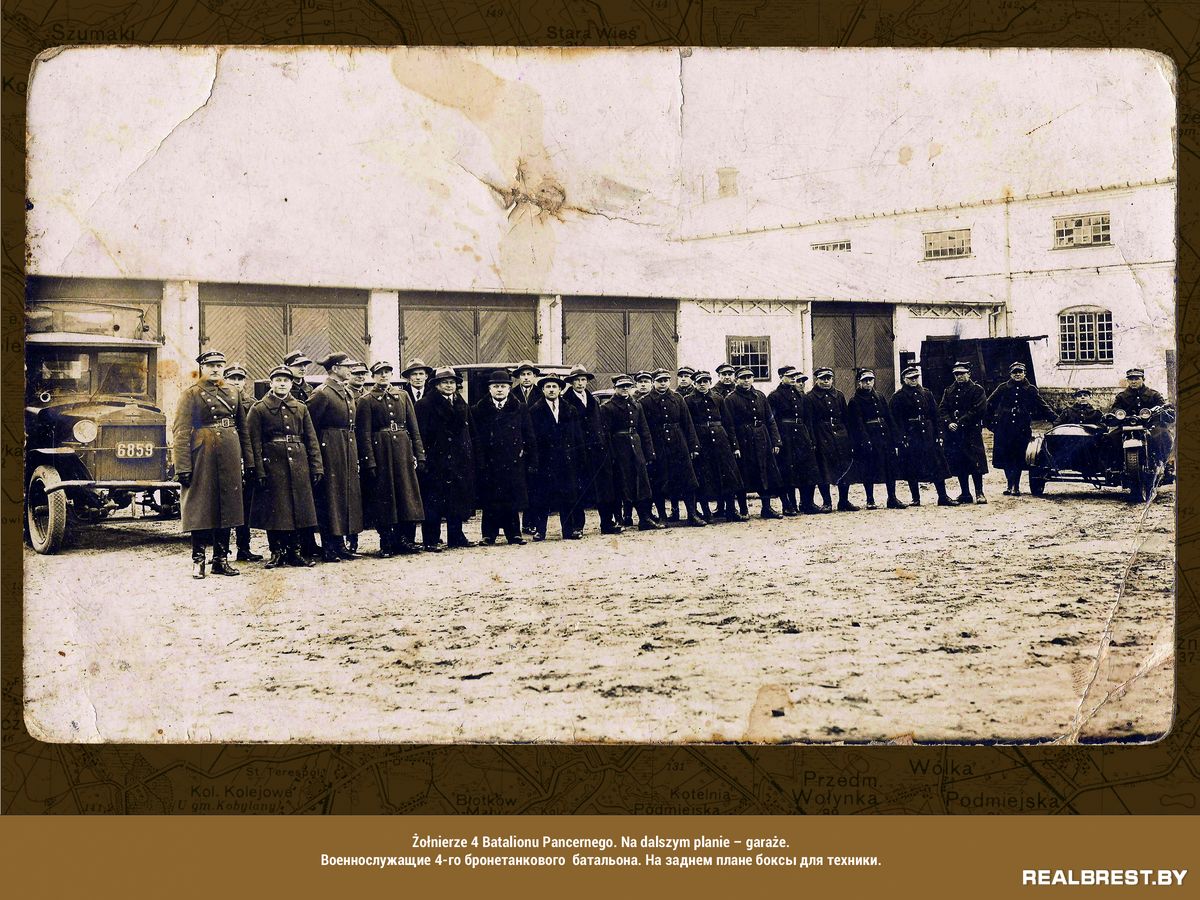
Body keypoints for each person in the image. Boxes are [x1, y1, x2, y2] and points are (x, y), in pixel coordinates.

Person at [171, 350, 253, 578]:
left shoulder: (233, 392)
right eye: (211, 365)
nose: (216, 369)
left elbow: (243, 430)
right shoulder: (191, 394)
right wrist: (183, 467)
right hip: (203, 455)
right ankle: (198, 560)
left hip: (229, 453)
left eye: (219, 365)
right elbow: (181, 432)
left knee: (228, 506)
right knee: (200, 506)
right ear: (202, 368)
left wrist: (249, 461)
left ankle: (220, 560)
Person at [246, 366, 323, 568]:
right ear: (271, 383)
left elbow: (311, 439)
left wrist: (316, 466)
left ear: (291, 384)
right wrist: (258, 469)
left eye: (286, 380)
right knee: (276, 510)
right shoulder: (259, 409)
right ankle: (277, 552)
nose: (282, 384)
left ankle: (295, 552)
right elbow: (253, 442)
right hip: (273, 465)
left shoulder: (301, 408)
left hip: (299, 464)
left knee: (298, 507)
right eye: (278, 380)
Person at [356, 361, 426, 557]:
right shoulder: (366, 400)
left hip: (403, 451)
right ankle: (386, 541)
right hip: (381, 452)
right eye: (379, 373)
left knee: (406, 495)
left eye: (387, 372)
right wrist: (369, 460)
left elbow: (414, 429)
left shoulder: (402, 396)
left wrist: (419, 454)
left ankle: (405, 539)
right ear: (373, 376)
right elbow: (364, 434)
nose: (384, 375)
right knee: (384, 496)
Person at [305, 352, 363, 561]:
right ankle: (329, 546)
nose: (350, 370)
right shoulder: (322, 393)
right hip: (329, 449)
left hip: (346, 446)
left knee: (344, 496)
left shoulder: (346, 391)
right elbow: (310, 427)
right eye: (347, 366)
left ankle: (340, 545)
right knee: (330, 496)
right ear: (335, 369)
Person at [471, 368, 537, 545]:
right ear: (489, 389)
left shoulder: (520, 408)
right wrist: (479, 461)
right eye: (495, 386)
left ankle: (514, 534)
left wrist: (530, 458)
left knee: (511, 499)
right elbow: (475, 438)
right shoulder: (478, 410)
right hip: (489, 462)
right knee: (490, 499)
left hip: (513, 461)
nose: (499, 389)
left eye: (503, 386)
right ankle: (488, 535)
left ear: (509, 388)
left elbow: (529, 436)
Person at [415, 367, 477, 550]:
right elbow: (420, 434)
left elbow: (471, 431)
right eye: (444, 382)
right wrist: (423, 457)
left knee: (457, 499)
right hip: (436, 460)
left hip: (458, 459)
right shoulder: (425, 404)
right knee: (433, 502)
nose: (449, 386)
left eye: (452, 382)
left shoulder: (461, 403)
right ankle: (431, 540)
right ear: (436, 385)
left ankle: (456, 536)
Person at [640, 369, 705, 526]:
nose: (663, 383)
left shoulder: (677, 398)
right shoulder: (645, 401)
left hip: (679, 443)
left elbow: (687, 423)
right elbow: (644, 428)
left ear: (670, 381)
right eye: (659, 381)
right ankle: (662, 516)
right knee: (659, 481)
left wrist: (693, 446)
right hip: (658, 443)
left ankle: (692, 514)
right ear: (653, 382)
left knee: (688, 480)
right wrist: (649, 451)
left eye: (666, 380)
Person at [600, 374, 663, 531]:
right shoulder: (607, 407)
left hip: (636, 448)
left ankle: (644, 518)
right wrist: (611, 455)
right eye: (621, 386)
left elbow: (644, 429)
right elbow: (605, 434)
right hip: (619, 450)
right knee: (620, 485)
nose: (625, 389)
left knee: (641, 484)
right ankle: (619, 519)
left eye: (627, 386)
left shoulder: (636, 405)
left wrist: (649, 452)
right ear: (615, 388)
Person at [562, 365, 619, 534]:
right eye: (577, 380)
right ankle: (577, 526)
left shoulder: (592, 400)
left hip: (597, 451)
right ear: (571, 382)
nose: (580, 383)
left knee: (604, 487)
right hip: (578, 451)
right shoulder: (566, 401)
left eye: (583, 380)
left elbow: (600, 424)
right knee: (578, 489)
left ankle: (606, 523)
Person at [526, 374, 584, 540]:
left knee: (568, 495)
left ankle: (568, 530)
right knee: (542, 496)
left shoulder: (570, 409)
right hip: (545, 461)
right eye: (548, 387)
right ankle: (540, 531)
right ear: (543, 390)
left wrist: (579, 458)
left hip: (566, 461)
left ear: (560, 390)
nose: (551, 390)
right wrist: (534, 461)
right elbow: (531, 438)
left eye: (554, 387)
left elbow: (577, 437)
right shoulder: (535, 410)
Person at [890, 365, 958, 507]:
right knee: (912, 467)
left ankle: (943, 497)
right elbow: (895, 421)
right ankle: (916, 498)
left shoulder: (927, 393)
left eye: (916, 377)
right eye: (910, 378)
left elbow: (936, 415)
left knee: (937, 465)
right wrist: (901, 438)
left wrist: (939, 434)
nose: (914, 380)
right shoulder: (898, 397)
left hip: (929, 434)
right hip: (911, 436)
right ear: (904, 379)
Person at [685, 370, 746, 523]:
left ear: (710, 383)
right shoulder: (689, 400)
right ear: (694, 384)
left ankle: (730, 511)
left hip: (721, 440)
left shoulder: (718, 398)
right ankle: (706, 513)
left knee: (728, 476)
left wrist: (734, 445)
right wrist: (693, 446)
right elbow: (688, 425)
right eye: (699, 382)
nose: (702, 385)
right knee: (704, 477)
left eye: (705, 382)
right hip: (701, 441)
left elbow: (728, 423)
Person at [986, 361, 1055, 496]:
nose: (1017, 374)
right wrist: (990, 424)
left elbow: (1043, 406)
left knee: (1018, 456)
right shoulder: (1003, 388)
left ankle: (1015, 486)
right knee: (1006, 457)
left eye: (1020, 372)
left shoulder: (1030, 389)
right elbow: (989, 404)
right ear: (1010, 374)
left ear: (1024, 373)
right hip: (1004, 428)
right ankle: (1009, 484)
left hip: (1021, 429)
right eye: (1015, 372)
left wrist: (1057, 420)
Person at [724, 366, 784, 519]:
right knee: (743, 474)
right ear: (736, 380)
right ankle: (744, 510)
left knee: (765, 472)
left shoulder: (760, 396)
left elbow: (770, 420)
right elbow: (729, 425)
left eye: (749, 377)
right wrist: (735, 446)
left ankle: (766, 508)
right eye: (742, 378)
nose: (746, 380)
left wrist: (776, 441)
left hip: (762, 438)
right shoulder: (730, 399)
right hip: (743, 440)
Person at [222, 363, 265, 562]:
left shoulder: (253, 404)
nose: (236, 382)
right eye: (232, 378)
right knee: (224, 504)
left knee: (245, 505)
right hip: (226, 456)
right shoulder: (221, 402)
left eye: (240, 379)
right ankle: (221, 551)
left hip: (247, 457)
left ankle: (244, 547)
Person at [846, 369, 906, 510]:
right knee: (869, 468)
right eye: (865, 380)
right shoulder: (855, 401)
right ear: (859, 382)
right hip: (870, 437)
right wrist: (865, 440)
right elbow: (857, 423)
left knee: (890, 468)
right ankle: (870, 500)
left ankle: (892, 498)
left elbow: (888, 417)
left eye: (870, 380)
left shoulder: (880, 397)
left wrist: (895, 437)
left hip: (885, 436)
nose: (868, 383)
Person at [768, 367, 821, 515]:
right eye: (789, 376)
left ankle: (807, 503)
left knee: (807, 469)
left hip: (802, 436)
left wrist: (811, 438)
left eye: (794, 376)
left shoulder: (801, 396)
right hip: (785, 436)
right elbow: (771, 421)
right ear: (781, 377)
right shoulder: (774, 396)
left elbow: (808, 419)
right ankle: (789, 505)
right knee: (787, 471)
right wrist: (776, 441)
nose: (793, 378)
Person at [939, 361, 990, 504]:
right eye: (956, 374)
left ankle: (979, 493)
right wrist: (949, 422)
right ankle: (965, 493)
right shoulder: (949, 391)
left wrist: (959, 422)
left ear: (969, 374)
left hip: (971, 432)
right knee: (960, 462)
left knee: (976, 463)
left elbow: (979, 409)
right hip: (955, 434)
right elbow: (942, 409)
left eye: (962, 374)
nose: (959, 376)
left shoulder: (977, 390)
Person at [807, 367, 857, 512]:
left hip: (840, 435)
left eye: (828, 378)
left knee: (844, 467)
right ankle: (827, 502)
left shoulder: (839, 395)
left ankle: (843, 501)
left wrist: (849, 437)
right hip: (822, 435)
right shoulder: (810, 397)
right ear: (817, 379)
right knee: (824, 469)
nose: (826, 381)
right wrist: (813, 440)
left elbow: (846, 417)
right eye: (823, 378)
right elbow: (810, 421)